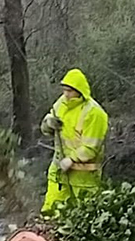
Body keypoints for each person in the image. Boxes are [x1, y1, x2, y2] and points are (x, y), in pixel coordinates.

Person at [40, 69, 109, 214]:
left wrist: (71, 159)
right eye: (64, 90)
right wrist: (49, 124)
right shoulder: (61, 104)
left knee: (84, 215)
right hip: (59, 173)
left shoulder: (95, 114)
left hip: (84, 179)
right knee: (51, 212)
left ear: (79, 91)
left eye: (70, 91)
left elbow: (91, 147)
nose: (66, 94)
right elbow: (46, 125)